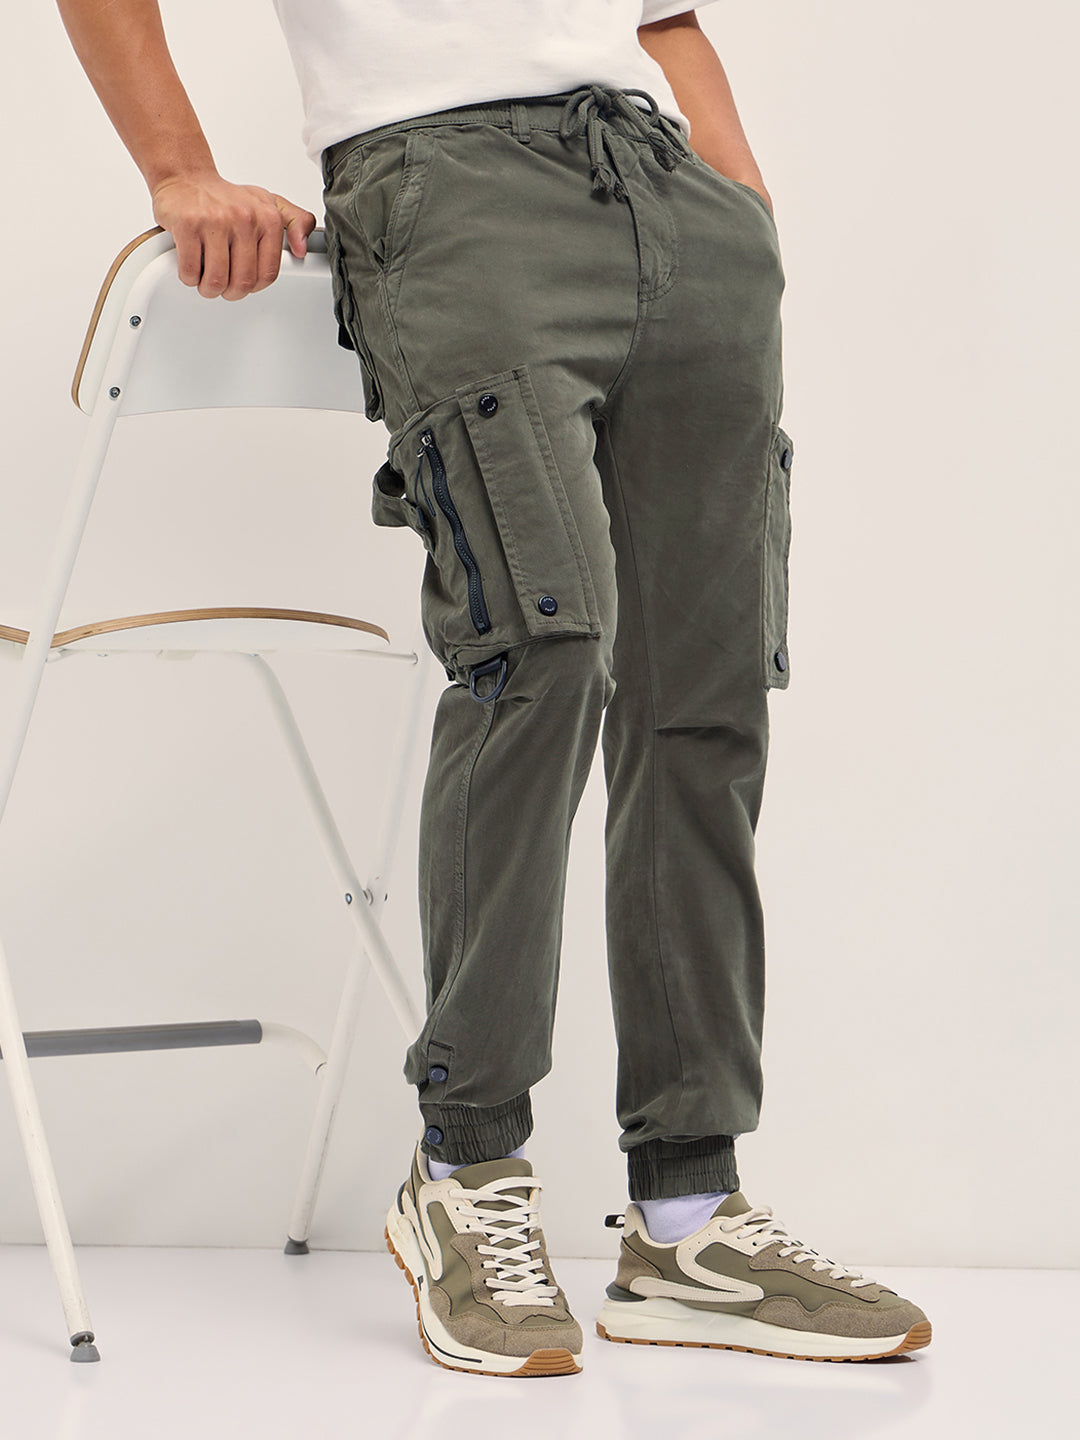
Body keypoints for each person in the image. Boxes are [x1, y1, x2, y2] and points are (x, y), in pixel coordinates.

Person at [56, 0, 932, 1377]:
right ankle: (464, 1172)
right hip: (444, 189)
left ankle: (688, 1218)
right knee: (541, 649)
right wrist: (178, 168)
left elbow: (665, 18)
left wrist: (739, 197)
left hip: (672, 202)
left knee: (705, 699)